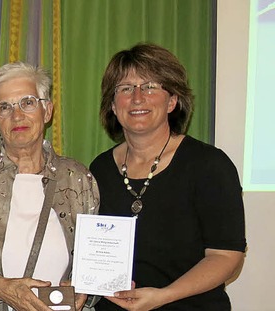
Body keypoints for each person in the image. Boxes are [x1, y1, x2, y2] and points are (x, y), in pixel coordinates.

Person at [90, 43, 246, 311]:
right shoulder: (100, 169)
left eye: (150, 86)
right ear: (113, 106)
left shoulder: (209, 165)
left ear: (172, 101)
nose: (138, 97)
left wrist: (163, 296)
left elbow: (225, 256)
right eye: (126, 88)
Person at [0, 62, 100, 311]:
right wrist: (1, 288)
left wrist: (85, 288)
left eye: (27, 102)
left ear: (47, 111)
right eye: (5, 107)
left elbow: (95, 259)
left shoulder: (77, 178)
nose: (17, 116)